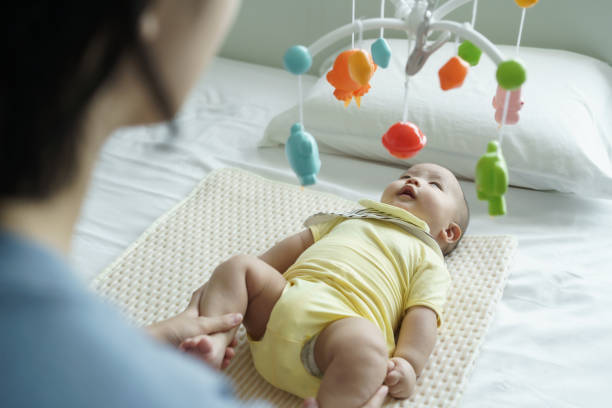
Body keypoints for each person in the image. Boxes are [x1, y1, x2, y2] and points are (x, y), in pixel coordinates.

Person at [181, 163, 470, 407]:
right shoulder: (347, 220)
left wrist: (408, 363)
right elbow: (284, 251)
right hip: (276, 307)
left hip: (335, 339)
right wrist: (239, 288)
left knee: (368, 349)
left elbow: (423, 315)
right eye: (407, 175)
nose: (414, 180)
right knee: (239, 265)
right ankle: (215, 342)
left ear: (449, 232)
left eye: (435, 185)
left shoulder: (428, 257)